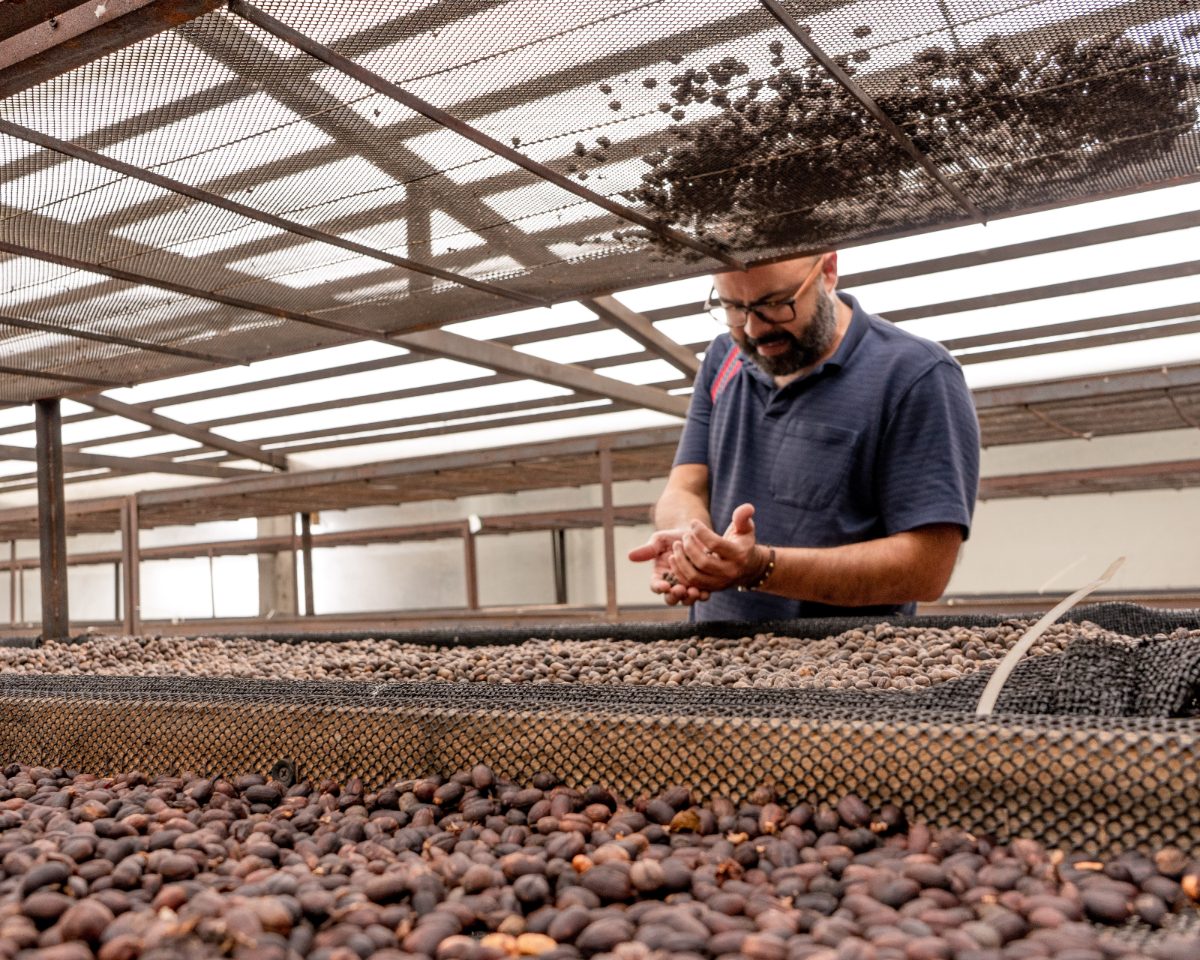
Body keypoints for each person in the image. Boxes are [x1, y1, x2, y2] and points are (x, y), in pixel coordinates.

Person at [628, 251, 980, 621]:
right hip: (715, 658)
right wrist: (690, 541)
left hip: (849, 664)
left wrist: (760, 567)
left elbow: (926, 567)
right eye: (734, 307)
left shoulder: (915, 374)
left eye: (776, 304)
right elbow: (685, 486)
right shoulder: (724, 357)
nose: (753, 330)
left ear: (828, 271)